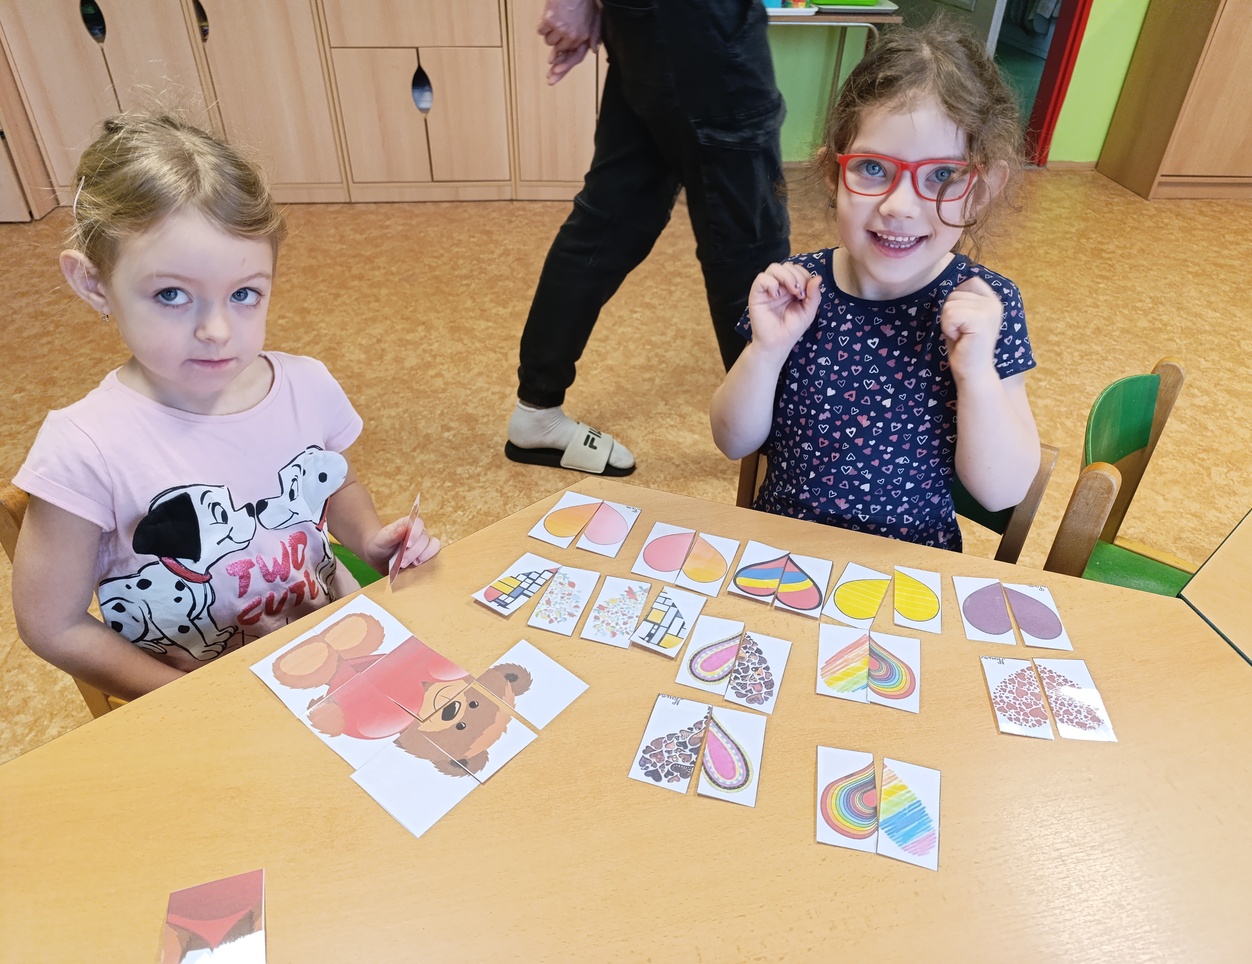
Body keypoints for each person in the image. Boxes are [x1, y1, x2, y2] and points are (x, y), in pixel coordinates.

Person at [11, 113, 440, 701]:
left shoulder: (307, 385)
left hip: (329, 645)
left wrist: (369, 539)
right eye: (171, 294)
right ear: (93, 283)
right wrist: (191, 699)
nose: (217, 330)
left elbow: (334, 483)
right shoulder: (82, 448)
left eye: (244, 294)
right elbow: (51, 625)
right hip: (196, 693)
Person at [710, 20, 1041, 550]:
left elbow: (1003, 490)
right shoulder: (797, 289)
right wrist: (766, 352)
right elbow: (731, 442)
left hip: (907, 570)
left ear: (980, 190)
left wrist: (976, 374)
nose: (899, 206)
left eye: (941, 176)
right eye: (871, 167)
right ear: (832, 173)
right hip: (782, 553)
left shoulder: (986, 307)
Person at [505, 0, 792, 476]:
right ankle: (791, 445)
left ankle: (537, 410)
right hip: (699, 19)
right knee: (750, 243)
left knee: (612, 219)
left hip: (661, 20)